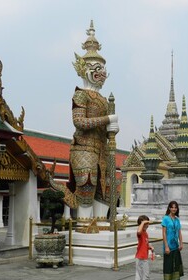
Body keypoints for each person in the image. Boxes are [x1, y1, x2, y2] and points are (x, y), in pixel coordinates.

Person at [68, 20, 119, 220]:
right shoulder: (81, 94)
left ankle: (101, 226)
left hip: (103, 149)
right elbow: (79, 122)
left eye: (103, 69)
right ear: (84, 69)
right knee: (87, 187)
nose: (102, 73)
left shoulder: (105, 100)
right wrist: (107, 118)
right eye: (97, 68)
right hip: (84, 148)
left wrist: (112, 128)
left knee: (105, 191)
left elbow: (107, 128)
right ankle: (84, 226)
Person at [132, 215, 160, 280]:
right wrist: (143, 222)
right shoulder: (140, 233)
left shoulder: (145, 233)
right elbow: (138, 231)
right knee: (144, 277)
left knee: (139, 277)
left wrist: (149, 247)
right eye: (146, 224)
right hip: (141, 258)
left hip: (142, 257)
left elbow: (145, 244)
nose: (147, 225)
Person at [161, 201, 184, 280]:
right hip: (168, 245)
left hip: (175, 245)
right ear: (169, 208)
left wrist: (181, 243)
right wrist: (166, 246)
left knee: (175, 264)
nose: (174, 209)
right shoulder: (165, 219)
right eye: (172, 207)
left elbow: (179, 232)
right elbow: (164, 233)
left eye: (175, 207)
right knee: (168, 265)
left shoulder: (177, 219)